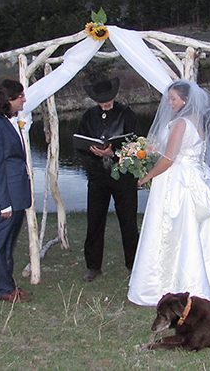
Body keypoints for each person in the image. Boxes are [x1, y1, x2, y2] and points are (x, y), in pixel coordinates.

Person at [128, 79, 210, 306]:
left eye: (173, 99)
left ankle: (172, 281)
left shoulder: (179, 124)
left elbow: (169, 159)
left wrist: (146, 177)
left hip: (177, 182)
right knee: (201, 230)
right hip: (193, 179)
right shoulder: (197, 120)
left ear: (185, 100)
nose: (169, 103)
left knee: (174, 227)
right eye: (169, 98)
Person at [76, 77, 140, 282]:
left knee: (128, 222)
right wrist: (92, 153)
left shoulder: (126, 114)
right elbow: (79, 145)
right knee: (94, 221)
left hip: (123, 177)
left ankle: (134, 264)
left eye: (109, 99)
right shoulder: (88, 116)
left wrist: (113, 153)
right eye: (101, 100)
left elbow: (138, 145)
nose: (106, 103)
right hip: (97, 177)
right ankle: (93, 266)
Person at [0, 79, 32, 303]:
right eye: (20, 96)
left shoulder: (9, 121)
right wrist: (4, 203)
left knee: (10, 243)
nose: (24, 99)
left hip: (17, 193)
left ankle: (9, 285)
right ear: (9, 100)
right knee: (1, 244)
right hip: (8, 196)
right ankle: (3, 289)